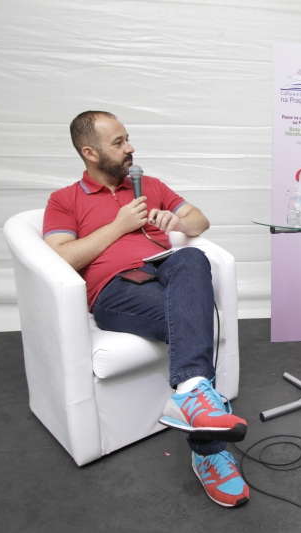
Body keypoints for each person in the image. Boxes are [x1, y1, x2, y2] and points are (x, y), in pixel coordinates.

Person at [43, 110, 250, 507]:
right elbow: (62, 258)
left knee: (193, 259)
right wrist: (119, 225)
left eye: (128, 139)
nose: (130, 148)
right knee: (194, 316)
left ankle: (190, 393)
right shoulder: (64, 200)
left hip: (166, 272)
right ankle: (209, 451)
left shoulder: (148, 184)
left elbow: (199, 220)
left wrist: (179, 221)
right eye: (118, 142)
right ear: (89, 152)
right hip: (116, 290)